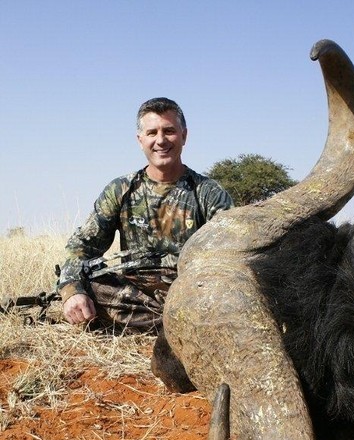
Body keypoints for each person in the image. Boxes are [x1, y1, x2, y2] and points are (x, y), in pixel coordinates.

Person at [58, 97, 233, 332]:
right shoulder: (120, 189)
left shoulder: (209, 192)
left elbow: (230, 256)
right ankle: (179, 327)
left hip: (188, 292)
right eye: (152, 133)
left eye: (169, 131)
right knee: (88, 284)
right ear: (140, 140)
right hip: (133, 293)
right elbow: (82, 246)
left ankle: (165, 324)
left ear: (184, 135)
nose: (161, 140)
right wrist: (72, 291)